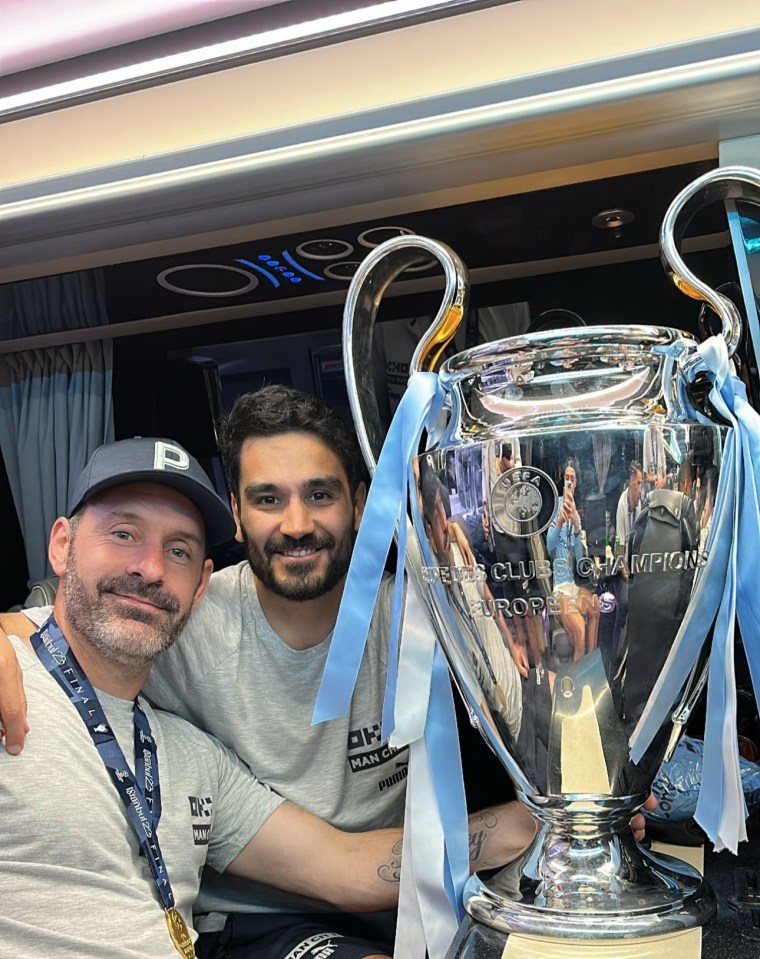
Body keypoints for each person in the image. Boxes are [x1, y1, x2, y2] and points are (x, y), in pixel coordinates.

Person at [0, 390, 650, 958]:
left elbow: (537, 703)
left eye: (320, 494)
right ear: (238, 512)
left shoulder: (423, 618)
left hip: (397, 890)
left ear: (360, 503)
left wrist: (565, 810)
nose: (297, 523)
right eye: (266, 498)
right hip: (255, 922)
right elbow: (62, 631)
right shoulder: (170, 626)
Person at [0, 436, 452, 958]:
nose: (148, 568)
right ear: (61, 545)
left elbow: (344, 865)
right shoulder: (15, 685)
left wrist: (532, 825)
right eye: (123, 534)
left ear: (200, 586)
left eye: (178, 551)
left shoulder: (194, 759)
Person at [546, 459, 600, 661]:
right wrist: (560, 521)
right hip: (559, 589)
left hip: (572, 585)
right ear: (563, 481)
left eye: (572, 478)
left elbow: (580, 561)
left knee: (595, 608)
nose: (569, 481)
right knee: (579, 631)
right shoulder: (555, 508)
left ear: (576, 483)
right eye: (566, 478)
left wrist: (577, 529)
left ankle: (590, 665)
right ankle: (578, 684)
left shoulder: (576, 514)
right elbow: (549, 548)